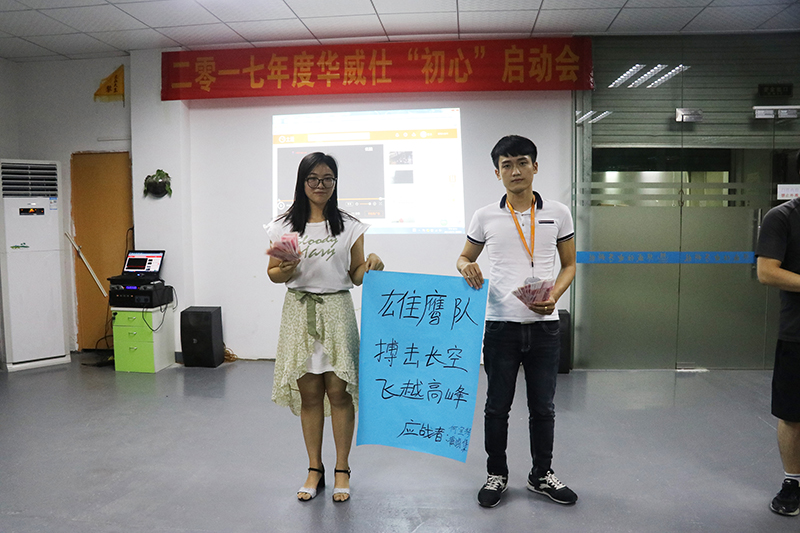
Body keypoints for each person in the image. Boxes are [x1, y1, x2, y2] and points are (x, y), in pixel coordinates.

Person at [457, 135, 577, 508]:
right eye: (506, 165)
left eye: (522, 162)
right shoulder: (485, 216)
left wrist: (555, 296)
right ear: (497, 173)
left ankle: (541, 474)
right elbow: (464, 257)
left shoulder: (558, 212)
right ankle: (497, 474)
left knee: (543, 408)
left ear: (535, 167)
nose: (515, 171)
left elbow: (570, 265)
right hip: (500, 327)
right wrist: (466, 266)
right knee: (497, 407)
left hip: (545, 327)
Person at [266, 152, 384, 503]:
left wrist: (372, 265)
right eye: (313, 179)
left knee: (339, 392)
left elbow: (356, 275)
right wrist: (285, 270)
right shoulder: (284, 227)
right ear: (302, 182)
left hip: (337, 310)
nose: (320, 185)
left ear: (335, 182)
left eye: (328, 179)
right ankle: (314, 469)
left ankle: (342, 469)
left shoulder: (349, 226)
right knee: (310, 395)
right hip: (299, 312)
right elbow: (273, 274)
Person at [756, 149, 800, 517]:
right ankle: (792, 482)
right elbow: (767, 271)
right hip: (797, 334)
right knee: (792, 414)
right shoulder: (782, 217)